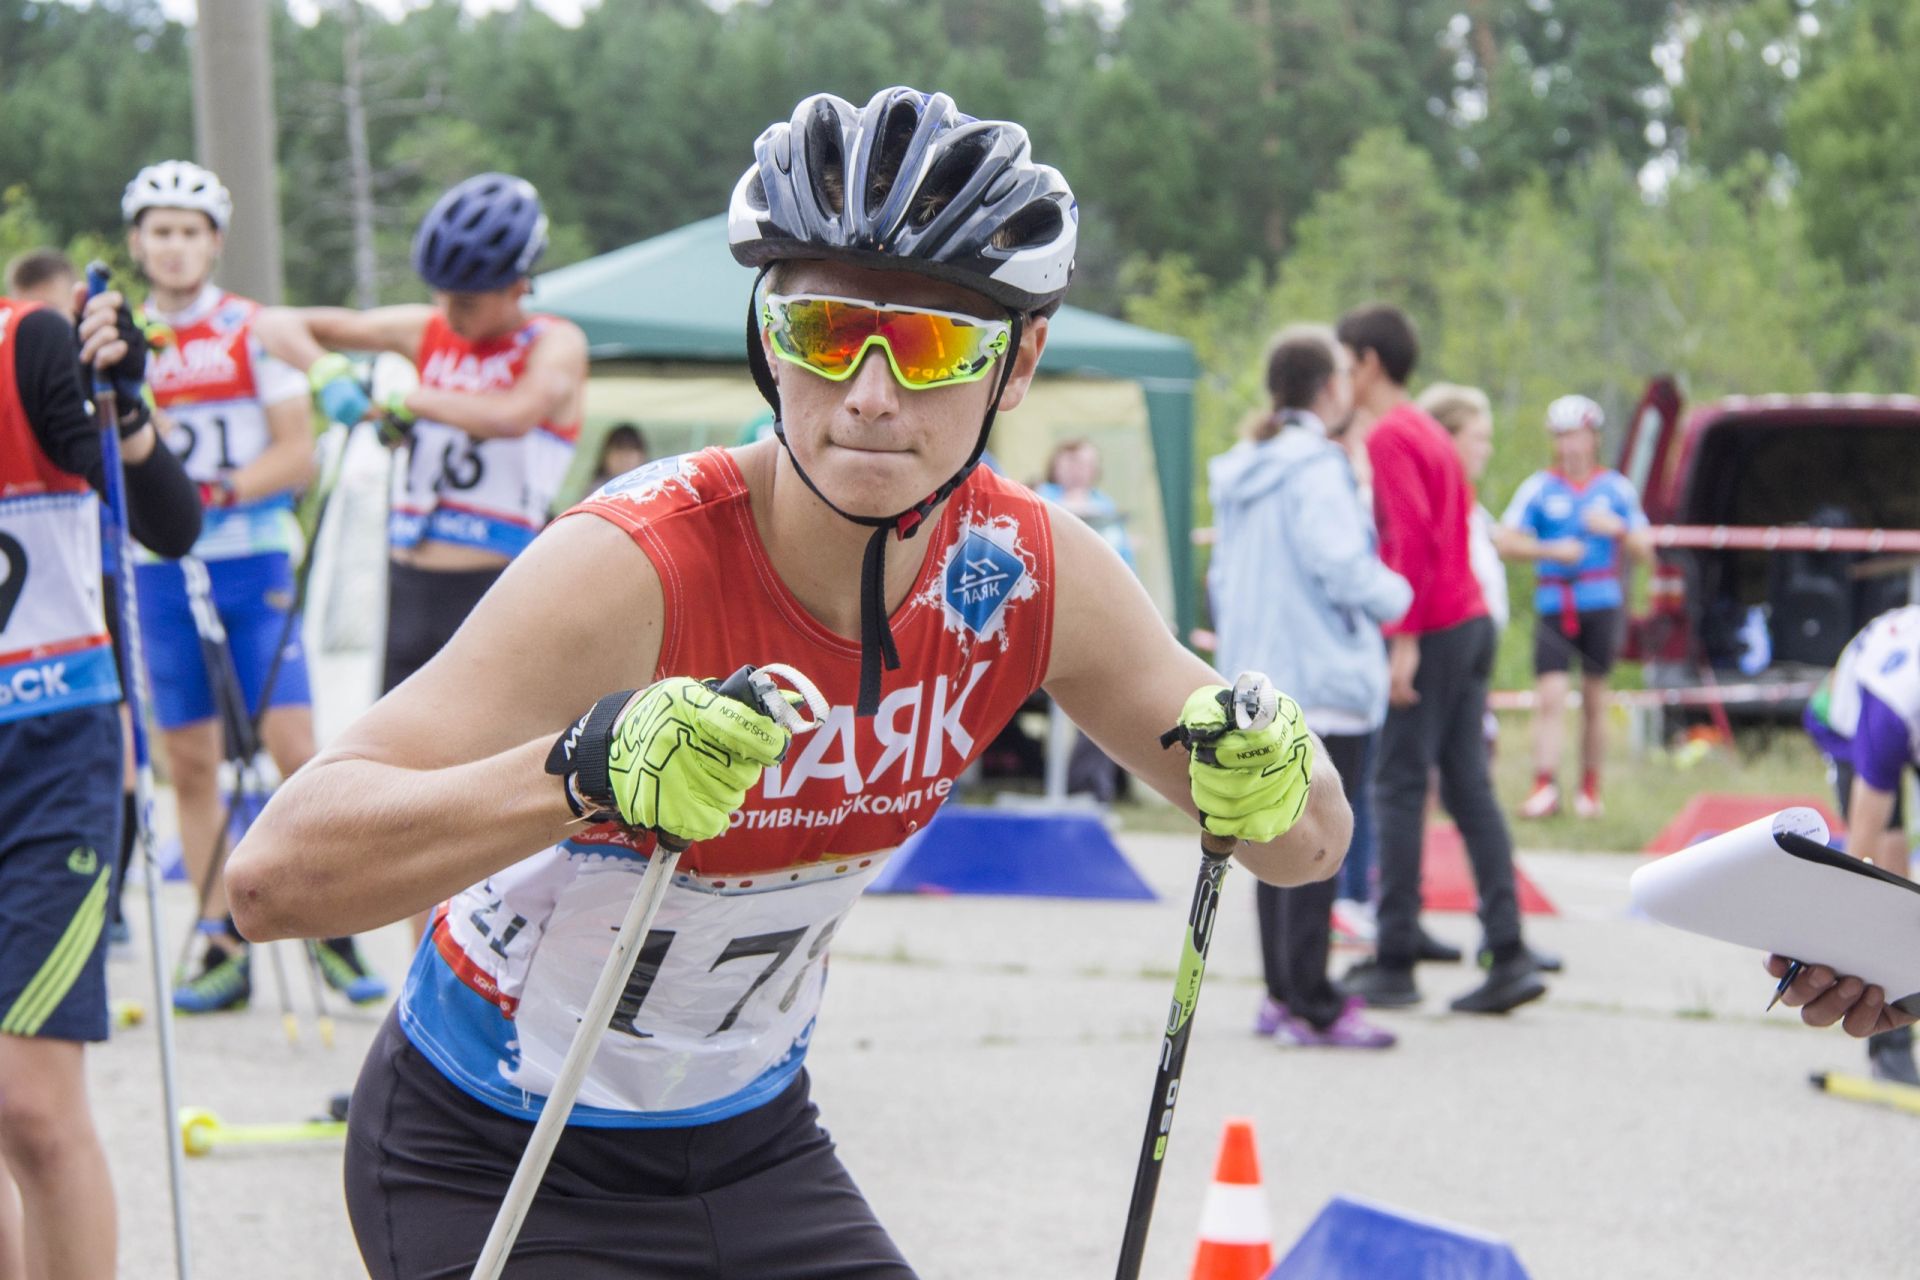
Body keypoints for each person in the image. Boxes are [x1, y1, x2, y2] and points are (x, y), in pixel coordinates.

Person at [227, 87, 1349, 1278]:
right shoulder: (631, 566)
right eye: (823, 333)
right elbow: (271, 879)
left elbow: (1303, 848)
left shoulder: (1030, 573)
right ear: (769, 343)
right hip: (488, 1148)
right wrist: (581, 767)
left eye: (926, 345)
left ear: (1015, 365)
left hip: (752, 1145)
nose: (870, 394)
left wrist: (1281, 769)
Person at [117, 161, 386, 1013]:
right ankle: (217, 938)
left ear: (215, 243)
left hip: (252, 557)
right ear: (137, 243)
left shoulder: (250, 328)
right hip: (159, 571)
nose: (173, 246)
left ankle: (332, 924)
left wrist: (204, 495)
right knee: (190, 761)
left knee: (293, 745)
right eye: (159, 230)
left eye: (189, 231)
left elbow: (294, 454)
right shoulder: (122, 338)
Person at [0, 274, 201, 1279]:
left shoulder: (24, 345)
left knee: (29, 1105)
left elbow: (167, 519)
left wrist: (123, 402)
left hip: (41, 758)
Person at [1334, 304, 1547, 1015]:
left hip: (1434, 625)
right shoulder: (1427, 430)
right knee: (1466, 788)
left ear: (1368, 363)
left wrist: (1403, 639)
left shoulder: (1394, 434)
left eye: (1346, 360)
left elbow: (1411, 543)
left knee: (1395, 784)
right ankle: (1508, 948)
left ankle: (1393, 955)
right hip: (1470, 618)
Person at [1211, 325, 1407, 1049]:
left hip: (1257, 683)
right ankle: (1314, 1002)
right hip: (1323, 681)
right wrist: (1398, 597)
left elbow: (1223, 581)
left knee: (1271, 842)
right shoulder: (1317, 467)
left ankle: (1281, 995)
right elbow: (1341, 565)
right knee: (1322, 845)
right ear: (1330, 389)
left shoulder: (1243, 467)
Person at [1497, 394, 1652, 820]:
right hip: (1554, 601)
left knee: (1595, 699)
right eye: (1562, 438)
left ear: (1593, 439)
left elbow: (1646, 549)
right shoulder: (1539, 487)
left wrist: (1616, 529)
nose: (1570, 447)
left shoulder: (1616, 488)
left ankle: (1589, 789)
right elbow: (1506, 539)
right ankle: (1544, 785)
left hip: (1602, 603)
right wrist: (1551, 550)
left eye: (1577, 437)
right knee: (1549, 696)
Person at [1802, 604, 1920, 1083]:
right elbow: (1860, 860)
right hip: (1846, 722)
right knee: (1889, 875)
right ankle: (1890, 1047)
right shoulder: (1889, 713)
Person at [593, 422, 649, 486]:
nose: (624, 458)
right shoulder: (598, 492)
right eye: (619, 449)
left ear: (642, 457)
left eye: (630, 451)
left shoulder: (651, 487)